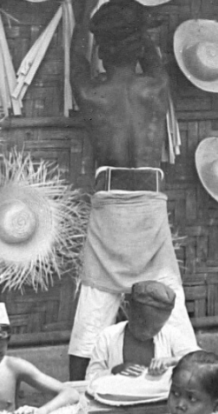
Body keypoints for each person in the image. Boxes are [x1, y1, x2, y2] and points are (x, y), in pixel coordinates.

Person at [67, 0, 195, 381]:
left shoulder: (90, 92)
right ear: (139, 48)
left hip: (110, 208)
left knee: (93, 304)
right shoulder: (156, 87)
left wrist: (83, 12)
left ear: (102, 54)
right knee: (172, 302)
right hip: (148, 206)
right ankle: (195, 382)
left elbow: (76, 59)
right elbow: (151, 57)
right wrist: (140, 33)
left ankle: (76, 399)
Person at [84, 280, 200, 383]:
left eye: (156, 328)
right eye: (143, 324)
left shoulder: (170, 334)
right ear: (127, 308)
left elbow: (202, 361)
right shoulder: (108, 336)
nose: (148, 332)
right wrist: (115, 370)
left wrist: (172, 361)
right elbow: (90, 378)